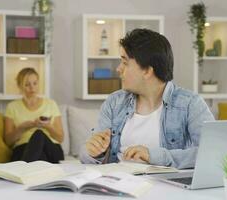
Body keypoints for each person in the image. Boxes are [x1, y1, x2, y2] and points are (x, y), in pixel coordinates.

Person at [80, 29, 214, 169]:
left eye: (125, 63)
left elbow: (213, 153)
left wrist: (153, 156)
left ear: (147, 71)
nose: (118, 69)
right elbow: (87, 157)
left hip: (166, 186)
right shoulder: (114, 102)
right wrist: (91, 151)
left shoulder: (190, 104)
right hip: (118, 184)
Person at [4, 67, 64, 163]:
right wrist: (22, 128)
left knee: (39, 134)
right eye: (27, 84)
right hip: (23, 149)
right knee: (40, 157)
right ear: (20, 86)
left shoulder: (51, 104)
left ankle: (25, 171)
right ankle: (37, 173)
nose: (32, 88)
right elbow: (8, 141)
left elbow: (60, 138)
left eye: (35, 83)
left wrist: (47, 126)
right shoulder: (12, 107)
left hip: (50, 148)